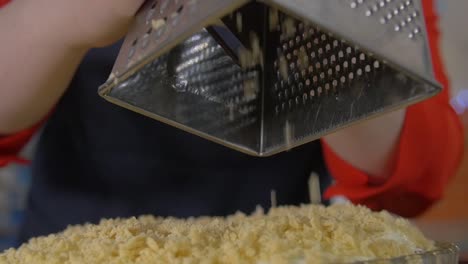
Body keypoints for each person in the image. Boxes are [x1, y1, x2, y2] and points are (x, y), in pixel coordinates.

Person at [0, 0, 463, 245]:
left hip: (281, 247)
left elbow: (412, 180)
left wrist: (334, 40)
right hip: (80, 240)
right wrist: (54, 18)